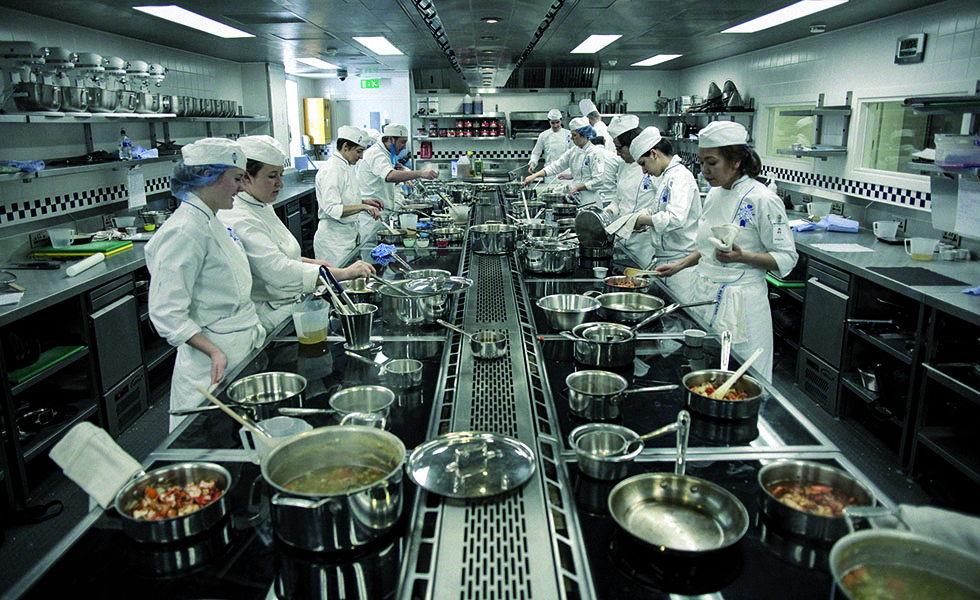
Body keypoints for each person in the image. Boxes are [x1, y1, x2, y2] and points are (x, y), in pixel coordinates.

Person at [655, 121, 797, 380]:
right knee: (704, 377)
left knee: (744, 382)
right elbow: (709, 246)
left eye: (712, 163)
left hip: (743, 307)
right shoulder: (715, 194)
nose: (705, 171)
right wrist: (680, 265)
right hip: (706, 297)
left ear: (736, 161)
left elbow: (787, 257)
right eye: (701, 163)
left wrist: (743, 257)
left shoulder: (762, 199)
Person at [144, 138, 265, 431]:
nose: (241, 186)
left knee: (237, 437)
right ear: (210, 176)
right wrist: (213, 351)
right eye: (237, 178)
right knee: (205, 442)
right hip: (209, 367)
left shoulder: (209, 220)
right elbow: (166, 313)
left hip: (236, 348)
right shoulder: (185, 229)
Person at [219, 135, 375, 331]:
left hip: (289, 306)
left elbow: (280, 253)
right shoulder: (239, 218)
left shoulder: (260, 203)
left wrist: (313, 263)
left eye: (281, 175)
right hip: (270, 317)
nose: (280, 184)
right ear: (246, 177)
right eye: (272, 176)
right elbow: (278, 270)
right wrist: (343, 273)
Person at [629, 126, 702, 301]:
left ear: (654, 154)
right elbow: (661, 213)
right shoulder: (667, 177)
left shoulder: (680, 177)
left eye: (643, 164)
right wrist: (644, 220)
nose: (644, 171)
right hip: (666, 259)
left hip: (681, 264)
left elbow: (675, 218)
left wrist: (643, 220)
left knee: (679, 318)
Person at [356, 123, 438, 243]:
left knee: (382, 255)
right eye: (402, 142)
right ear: (390, 139)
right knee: (370, 254)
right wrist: (421, 173)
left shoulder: (387, 154)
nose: (404, 147)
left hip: (380, 214)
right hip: (370, 218)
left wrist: (403, 176)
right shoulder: (376, 154)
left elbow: (384, 180)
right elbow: (389, 176)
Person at [314, 126, 383, 266]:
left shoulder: (345, 166)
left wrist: (365, 201)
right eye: (359, 151)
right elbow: (333, 208)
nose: (361, 156)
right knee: (336, 284)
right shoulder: (332, 169)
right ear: (345, 146)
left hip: (347, 237)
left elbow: (343, 198)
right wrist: (363, 207)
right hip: (334, 242)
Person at [603, 115, 658, 269]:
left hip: (644, 243)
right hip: (622, 239)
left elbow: (662, 206)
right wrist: (607, 212)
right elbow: (618, 199)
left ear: (633, 144)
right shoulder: (623, 166)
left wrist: (641, 220)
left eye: (620, 148)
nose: (617, 153)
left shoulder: (653, 168)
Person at [524, 117, 611, 207]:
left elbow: (599, 180)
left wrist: (578, 187)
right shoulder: (574, 151)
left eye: (574, 135)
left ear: (584, 135)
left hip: (591, 201)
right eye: (571, 135)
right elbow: (556, 166)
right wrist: (534, 176)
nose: (572, 139)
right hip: (576, 200)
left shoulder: (595, 153)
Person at [527, 109, 571, 182]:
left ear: (561, 120)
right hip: (549, 174)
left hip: (565, 174)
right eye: (552, 123)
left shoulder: (569, 134)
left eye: (557, 122)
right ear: (549, 121)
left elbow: (574, 153)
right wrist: (532, 163)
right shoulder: (544, 135)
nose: (555, 125)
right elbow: (536, 152)